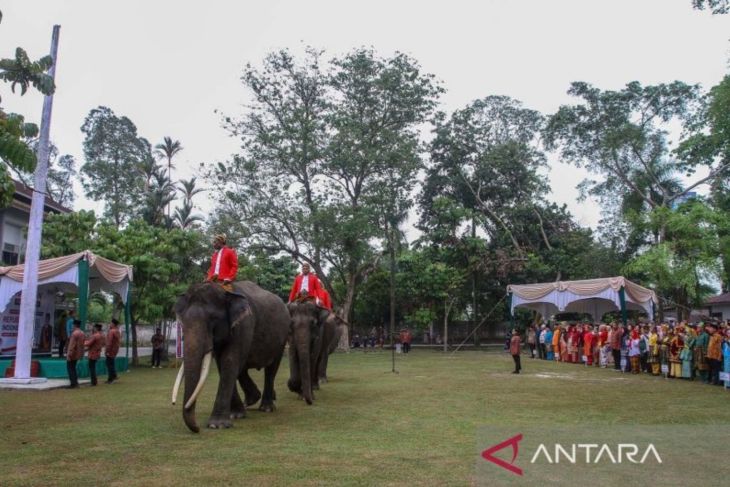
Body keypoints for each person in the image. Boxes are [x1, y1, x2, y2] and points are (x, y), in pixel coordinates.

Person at [66, 320, 85, 389]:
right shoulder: (82, 333)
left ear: (74, 325)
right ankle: (76, 383)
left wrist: (69, 354)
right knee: (73, 368)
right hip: (78, 354)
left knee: (70, 368)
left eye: (72, 325)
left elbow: (72, 345)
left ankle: (73, 384)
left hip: (73, 354)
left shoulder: (74, 334)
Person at [105, 319, 121, 384]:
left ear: (113, 324)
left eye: (111, 323)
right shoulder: (117, 331)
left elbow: (109, 342)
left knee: (109, 364)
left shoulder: (111, 331)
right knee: (112, 363)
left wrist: (107, 350)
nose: (110, 324)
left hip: (110, 350)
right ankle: (113, 376)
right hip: (115, 349)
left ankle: (111, 378)